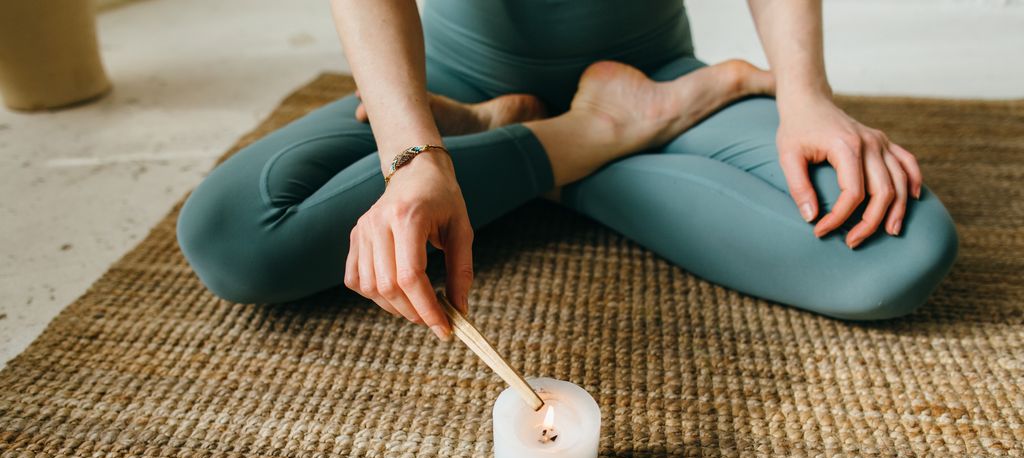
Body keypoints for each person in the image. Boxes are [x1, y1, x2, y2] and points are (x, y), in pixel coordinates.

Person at [176, 0, 958, 341]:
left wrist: (806, 95)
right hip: (446, 85)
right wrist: (414, 155)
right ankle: (597, 132)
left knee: (896, 252)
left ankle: (553, 145)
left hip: (644, 61)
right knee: (233, 238)